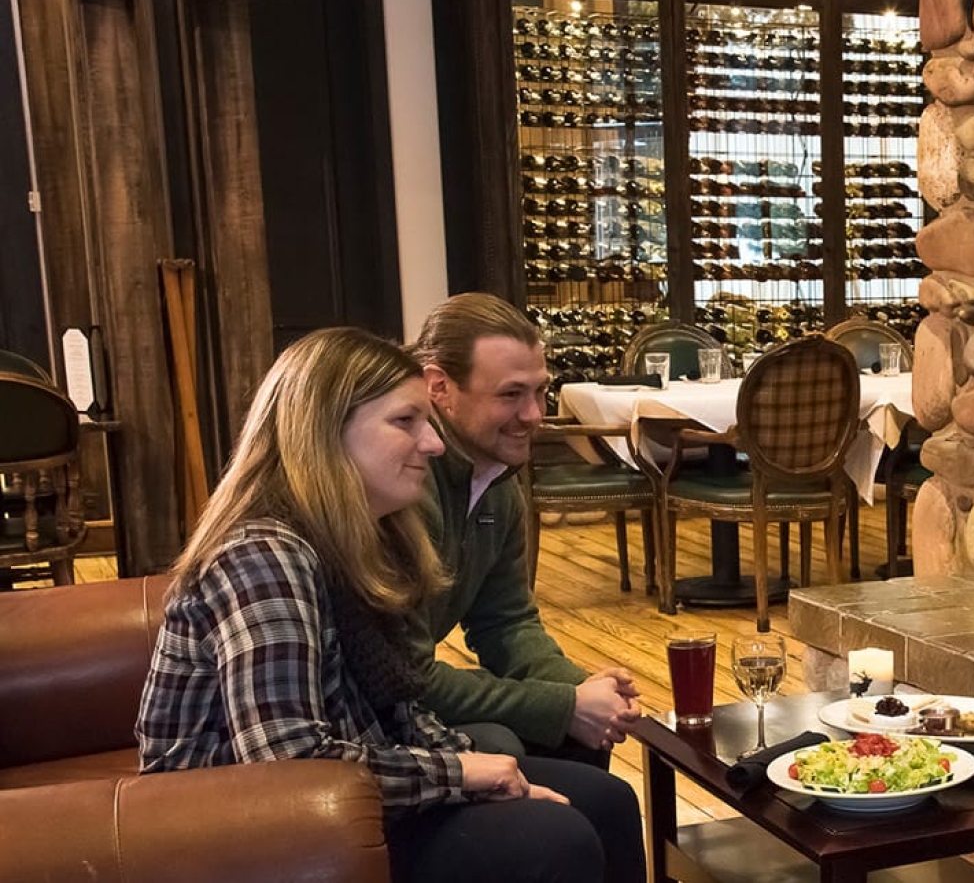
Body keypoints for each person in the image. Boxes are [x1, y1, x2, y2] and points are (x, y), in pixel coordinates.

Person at [137, 328, 642, 882]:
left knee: (606, 801)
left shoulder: (359, 536)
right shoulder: (264, 554)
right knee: (553, 838)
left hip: (333, 801)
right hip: (241, 834)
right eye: (406, 422)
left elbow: (399, 708)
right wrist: (460, 772)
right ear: (324, 434)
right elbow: (286, 765)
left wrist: (468, 761)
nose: (434, 443)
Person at [409, 293, 644, 764]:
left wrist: (583, 689)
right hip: (364, 714)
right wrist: (565, 704)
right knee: (515, 741)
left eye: (540, 391)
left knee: (581, 735)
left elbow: (506, 622)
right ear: (439, 387)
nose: (535, 414)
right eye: (511, 394)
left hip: (412, 689)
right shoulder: (403, 488)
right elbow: (405, 676)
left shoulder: (496, 481)